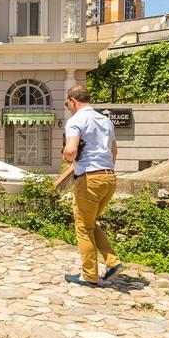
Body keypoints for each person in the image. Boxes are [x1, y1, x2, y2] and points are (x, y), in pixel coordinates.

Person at [62, 84, 124, 287]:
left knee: (82, 227)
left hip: (89, 179)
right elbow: (114, 152)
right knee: (91, 223)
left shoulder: (76, 120)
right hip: (109, 178)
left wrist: (66, 155)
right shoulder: (106, 121)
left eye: (67, 103)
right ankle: (113, 262)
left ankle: (88, 275)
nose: (68, 107)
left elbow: (71, 151)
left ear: (73, 100)